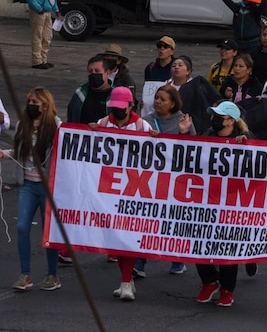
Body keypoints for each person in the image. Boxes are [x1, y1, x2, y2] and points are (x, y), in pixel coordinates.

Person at [89, 87, 153, 301]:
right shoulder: (103, 123)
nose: (116, 111)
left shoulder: (142, 125)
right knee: (116, 237)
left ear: (131, 106)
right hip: (110, 188)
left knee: (129, 236)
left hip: (134, 188)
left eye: (120, 107)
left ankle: (126, 281)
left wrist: (155, 138)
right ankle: (127, 280)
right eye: (114, 108)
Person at [3, 88, 62, 292]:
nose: (31, 105)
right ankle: (25, 274)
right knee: (21, 228)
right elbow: (19, 150)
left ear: (45, 105)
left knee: (48, 231)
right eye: (30, 101)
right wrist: (4, 153)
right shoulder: (23, 125)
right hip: (27, 184)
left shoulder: (56, 125)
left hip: (47, 187)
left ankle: (52, 275)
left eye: (35, 102)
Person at [195, 101, 252, 308]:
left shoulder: (246, 140)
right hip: (206, 199)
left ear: (231, 121)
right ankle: (209, 281)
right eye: (214, 115)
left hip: (233, 201)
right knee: (199, 241)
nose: (214, 119)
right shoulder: (205, 136)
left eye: (220, 116)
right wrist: (183, 135)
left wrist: (245, 146)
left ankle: (227, 288)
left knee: (228, 245)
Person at [137, 85, 192, 277]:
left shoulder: (183, 120)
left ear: (173, 104)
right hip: (151, 178)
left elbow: (195, 150)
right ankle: (139, 262)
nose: (158, 102)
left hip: (176, 179)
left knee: (173, 220)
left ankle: (177, 260)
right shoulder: (146, 121)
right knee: (147, 220)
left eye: (163, 99)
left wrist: (184, 133)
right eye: (157, 98)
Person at [26, 0, 59, 69]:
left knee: (47, 36)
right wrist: (39, 8)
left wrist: (56, 10)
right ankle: (37, 60)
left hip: (47, 11)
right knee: (37, 35)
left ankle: (43, 59)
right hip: (38, 12)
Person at [67, 56, 113, 123]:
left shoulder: (115, 95)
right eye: (90, 71)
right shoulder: (80, 93)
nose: (93, 73)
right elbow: (71, 116)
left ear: (107, 73)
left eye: (97, 71)